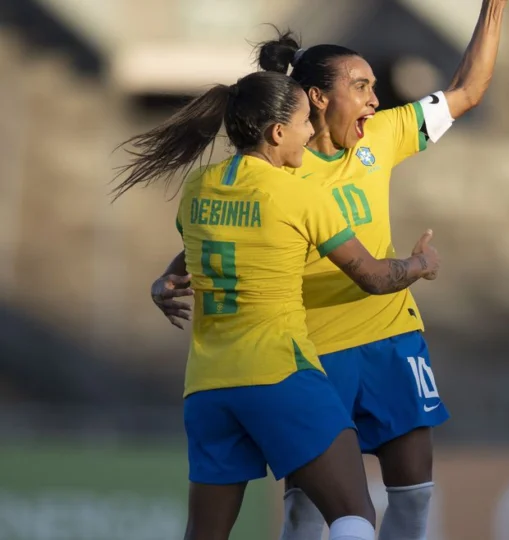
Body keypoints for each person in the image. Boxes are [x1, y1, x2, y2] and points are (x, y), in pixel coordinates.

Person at [151, 1, 508, 538]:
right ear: (316, 99)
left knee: (412, 497)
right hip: (310, 354)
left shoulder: (383, 135)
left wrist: (494, 7)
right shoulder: (284, 173)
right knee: (313, 511)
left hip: (390, 338)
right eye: (361, 86)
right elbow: (227, 236)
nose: (375, 98)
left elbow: (469, 88)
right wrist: (420, 264)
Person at [114, 70, 440, 540]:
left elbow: (191, 257)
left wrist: (163, 283)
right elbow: (371, 275)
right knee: (353, 516)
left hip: (208, 388)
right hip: (280, 374)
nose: (311, 134)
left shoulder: (198, 189)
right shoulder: (301, 193)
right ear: (278, 132)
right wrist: (419, 264)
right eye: (306, 122)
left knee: (203, 534)